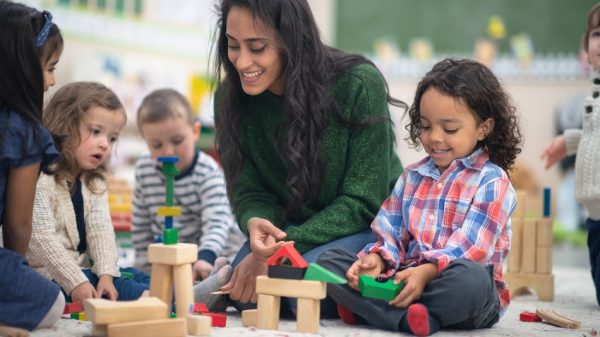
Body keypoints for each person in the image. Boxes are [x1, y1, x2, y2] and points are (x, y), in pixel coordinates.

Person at [210, 0, 405, 314]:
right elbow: (249, 191)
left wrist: (283, 249)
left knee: (296, 289)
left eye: (257, 47)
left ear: (292, 41)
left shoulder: (358, 84)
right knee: (247, 291)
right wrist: (256, 223)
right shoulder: (228, 99)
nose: (242, 62)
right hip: (291, 232)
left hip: (368, 229)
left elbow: (363, 201)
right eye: (233, 46)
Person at [317, 58, 523, 336]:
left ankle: (379, 310)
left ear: (483, 128)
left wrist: (426, 272)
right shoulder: (411, 177)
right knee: (329, 261)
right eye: (425, 126)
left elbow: (474, 249)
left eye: (450, 129)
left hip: (460, 293)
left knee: (471, 280)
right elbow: (391, 233)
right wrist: (378, 260)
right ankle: (412, 317)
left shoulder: (493, 181)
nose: (435, 137)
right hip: (403, 279)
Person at [26, 82, 150, 305]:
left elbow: (101, 230)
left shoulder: (93, 181)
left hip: (79, 271)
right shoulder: (40, 175)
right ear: (64, 126)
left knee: (130, 274)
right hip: (44, 276)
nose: (105, 145)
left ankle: (185, 293)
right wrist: (75, 281)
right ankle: (176, 299)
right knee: (123, 287)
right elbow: (40, 236)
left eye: (112, 138)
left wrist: (106, 274)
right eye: (95, 132)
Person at [132, 88, 244, 283]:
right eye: (156, 145)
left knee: (227, 271)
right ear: (146, 141)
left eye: (177, 141)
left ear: (195, 132)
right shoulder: (144, 168)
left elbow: (217, 222)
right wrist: (146, 265)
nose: (168, 151)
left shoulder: (208, 172)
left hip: (213, 252)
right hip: (173, 256)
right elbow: (141, 224)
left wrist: (205, 257)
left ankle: (212, 281)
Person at [0, 1, 65, 334]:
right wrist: (15, 268)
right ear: (22, 66)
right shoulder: (24, 129)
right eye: (50, 67)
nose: (52, 80)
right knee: (53, 301)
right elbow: (18, 225)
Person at [540, 2, 600, 306]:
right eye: (598, 34)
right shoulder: (595, 96)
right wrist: (570, 141)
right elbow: (595, 134)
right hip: (594, 212)